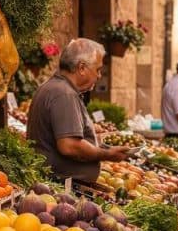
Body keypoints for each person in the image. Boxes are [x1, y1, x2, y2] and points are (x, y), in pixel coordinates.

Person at [27, 39, 130, 182]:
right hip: (62, 186)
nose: (99, 76)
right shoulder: (64, 94)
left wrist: (98, 142)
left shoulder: (57, 88)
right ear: (81, 68)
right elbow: (69, 146)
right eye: (98, 69)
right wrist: (107, 154)